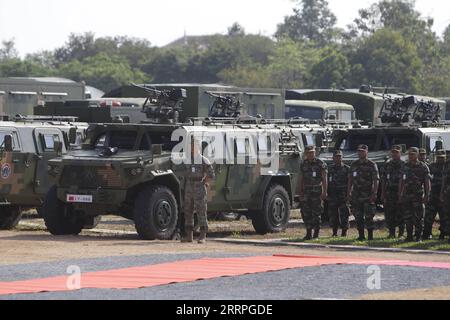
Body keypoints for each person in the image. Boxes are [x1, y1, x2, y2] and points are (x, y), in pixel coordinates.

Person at [182, 139, 215, 244]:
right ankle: (189, 235)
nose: (192, 149)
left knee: (201, 211)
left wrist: (204, 181)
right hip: (189, 187)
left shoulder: (203, 160)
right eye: (191, 147)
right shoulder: (188, 160)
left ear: (198, 148)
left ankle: (202, 235)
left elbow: (211, 174)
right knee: (188, 211)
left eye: (194, 146)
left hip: (199, 187)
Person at [347, 145, 379, 241]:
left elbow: (376, 180)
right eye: (359, 151)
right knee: (358, 216)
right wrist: (349, 192)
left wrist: (375, 192)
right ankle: (361, 235)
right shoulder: (354, 164)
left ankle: (370, 236)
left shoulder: (371, 164)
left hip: (368, 194)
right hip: (357, 195)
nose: (361, 153)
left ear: (366, 152)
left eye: (362, 151)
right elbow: (350, 179)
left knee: (369, 216)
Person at [399, 147, 431, 242]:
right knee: (407, 217)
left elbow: (427, 182)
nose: (410, 156)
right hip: (407, 196)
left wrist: (426, 195)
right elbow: (402, 181)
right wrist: (400, 194)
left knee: (418, 217)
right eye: (409, 154)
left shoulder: (423, 166)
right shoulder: (405, 166)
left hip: (418, 196)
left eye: (412, 154)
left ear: (417, 154)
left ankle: (418, 237)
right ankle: (409, 236)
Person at [299, 145, 327, 240]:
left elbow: (324, 179)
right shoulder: (304, 164)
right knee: (306, 212)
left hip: (317, 192)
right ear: (306, 154)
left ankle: (316, 233)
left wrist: (324, 191)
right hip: (307, 192)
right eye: (308, 153)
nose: (311, 154)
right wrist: (301, 191)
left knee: (316, 213)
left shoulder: (320, 163)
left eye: (312, 152)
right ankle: (308, 233)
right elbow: (302, 178)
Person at [381, 145, 405, 238]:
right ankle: (391, 233)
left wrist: (402, 193)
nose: (394, 154)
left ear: (400, 153)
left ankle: (401, 233)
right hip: (389, 192)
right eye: (393, 152)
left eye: (396, 152)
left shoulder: (404, 164)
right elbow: (383, 180)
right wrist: (382, 193)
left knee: (401, 213)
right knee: (389, 213)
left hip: (400, 192)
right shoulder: (387, 164)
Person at [423, 150, 447, 240]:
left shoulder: (447, 167)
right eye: (438, 157)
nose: (440, 159)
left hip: (443, 197)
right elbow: (426, 180)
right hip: (432, 196)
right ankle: (427, 233)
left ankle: (443, 234)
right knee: (429, 216)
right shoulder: (431, 166)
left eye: (442, 157)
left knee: (444, 217)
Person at [327, 150, 350, 237]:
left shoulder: (347, 169)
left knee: (344, 214)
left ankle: (344, 232)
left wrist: (348, 194)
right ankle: (334, 232)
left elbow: (350, 182)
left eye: (339, 156)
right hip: (332, 194)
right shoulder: (329, 169)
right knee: (333, 214)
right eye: (336, 156)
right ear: (333, 158)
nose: (338, 158)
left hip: (343, 194)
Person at [440, 155, 450, 244]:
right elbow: (444, 179)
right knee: (447, 214)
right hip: (448, 192)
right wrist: (442, 193)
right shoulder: (447, 164)